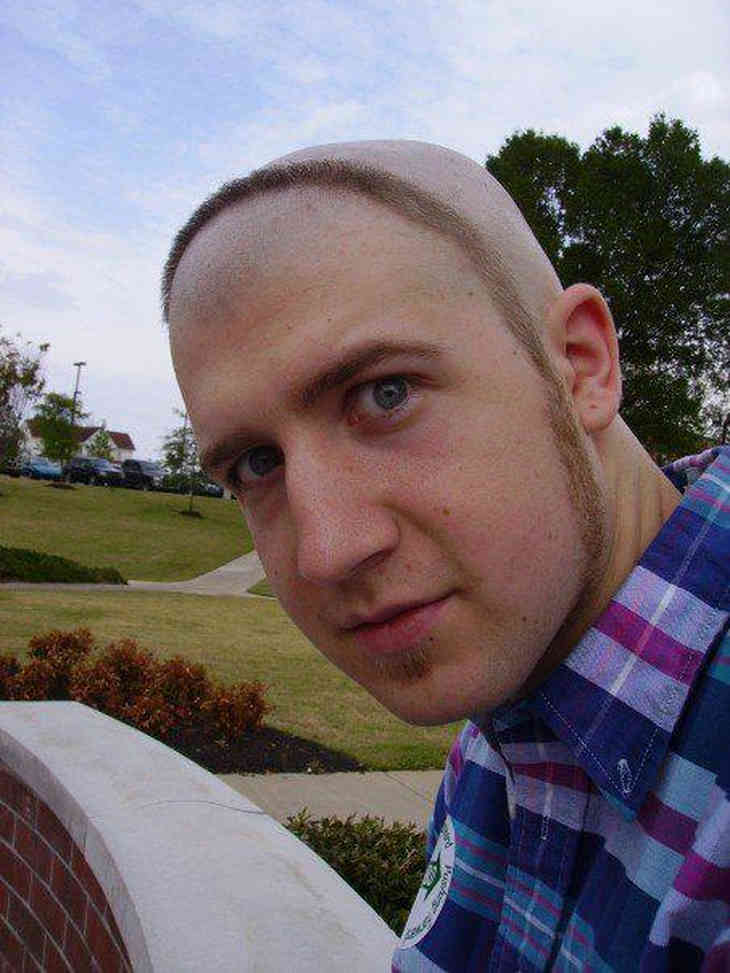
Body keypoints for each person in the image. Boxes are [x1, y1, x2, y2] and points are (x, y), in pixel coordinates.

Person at [162, 140, 730, 971]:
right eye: (256, 464)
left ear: (581, 366)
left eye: (384, 394)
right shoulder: (506, 725)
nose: (326, 551)